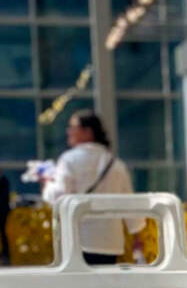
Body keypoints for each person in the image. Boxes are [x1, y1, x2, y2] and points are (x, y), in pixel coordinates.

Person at [41, 110, 137, 265]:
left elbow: (58, 196)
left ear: (88, 132)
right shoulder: (116, 164)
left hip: (78, 240)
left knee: (79, 287)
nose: (68, 131)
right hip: (110, 242)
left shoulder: (69, 160)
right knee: (104, 286)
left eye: (73, 127)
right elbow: (130, 204)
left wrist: (46, 184)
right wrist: (136, 234)